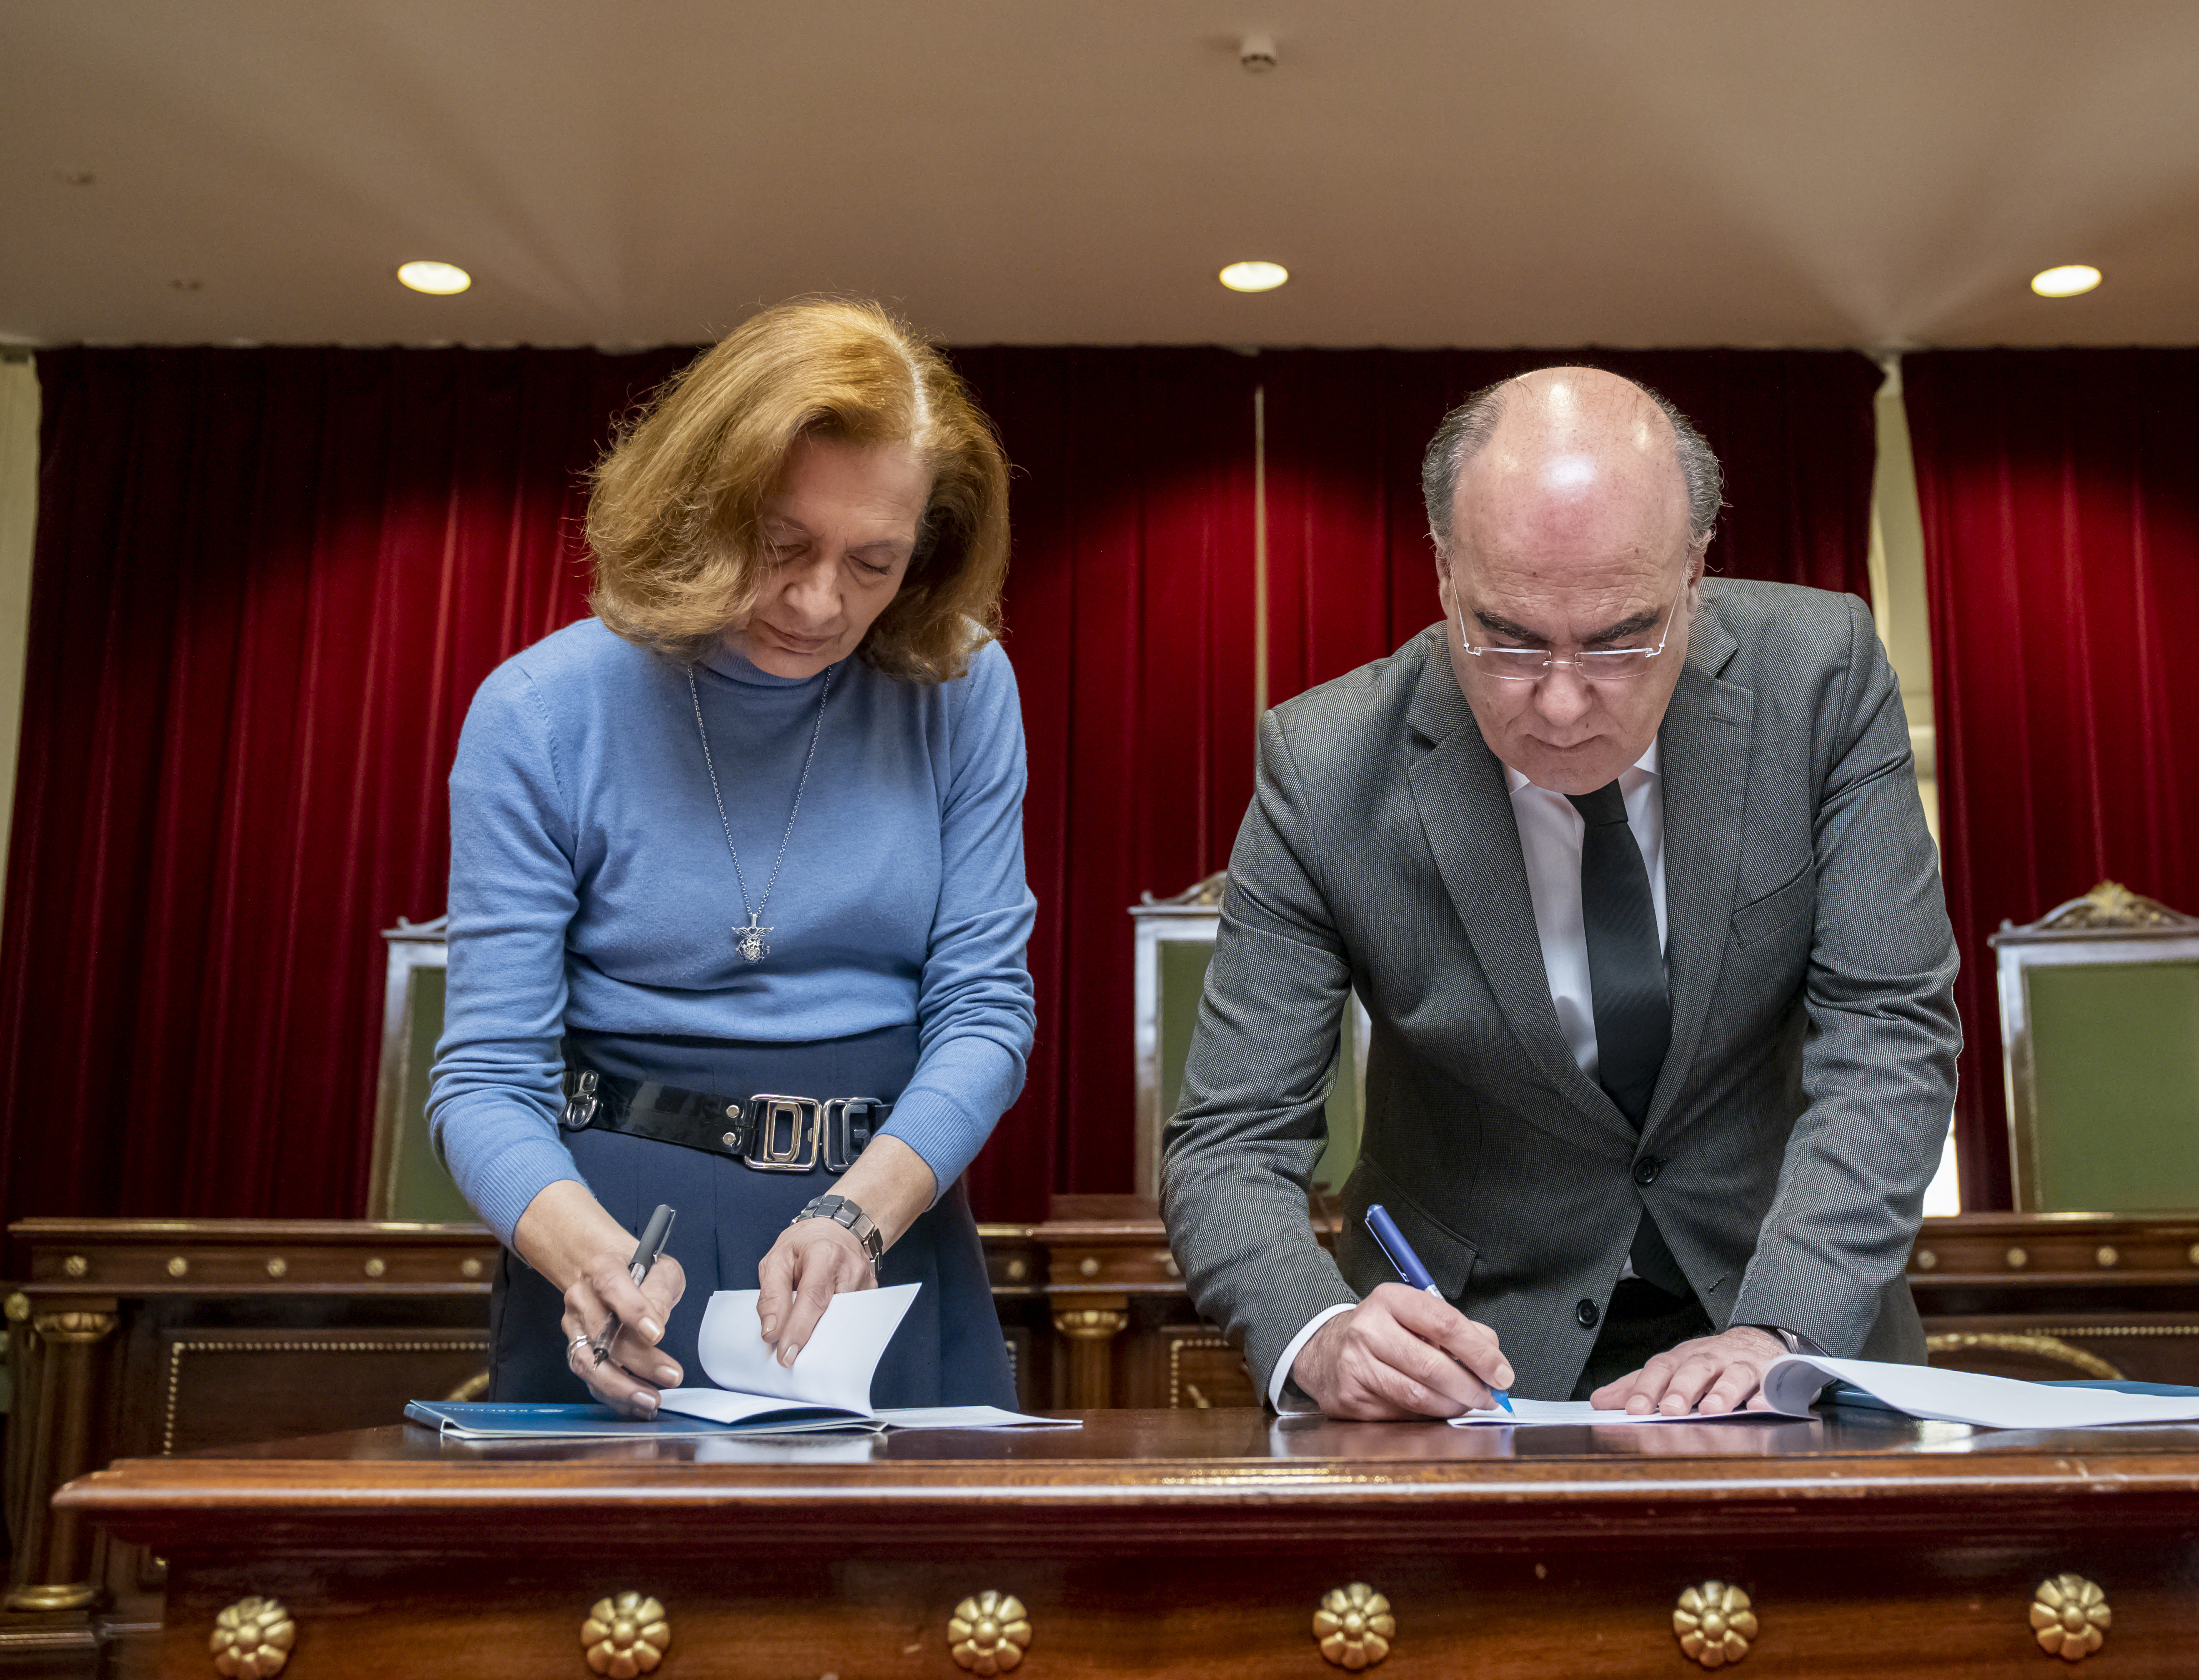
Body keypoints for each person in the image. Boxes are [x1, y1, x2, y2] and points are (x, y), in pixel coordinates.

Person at [1161, 367, 1960, 1420]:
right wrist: (1320, 1333)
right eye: (1512, 639)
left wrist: (1786, 1326)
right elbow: (1230, 1140)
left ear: (1696, 575)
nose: (1566, 704)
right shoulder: (1322, 767)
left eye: (1625, 638)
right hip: (1468, 1365)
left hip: (1787, 1311)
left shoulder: (1823, 678)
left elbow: (1891, 1028)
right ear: (1445, 573)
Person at [430, 299, 1035, 1416]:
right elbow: (483, 1084)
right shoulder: (537, 713)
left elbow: (986, 1014)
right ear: (700, 508)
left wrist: (858, 1216)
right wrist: (583, 1259)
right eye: (782, 546)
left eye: (874, 563)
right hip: (619, 1234)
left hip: (880, 1221)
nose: (818, 603)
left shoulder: (962, 689)